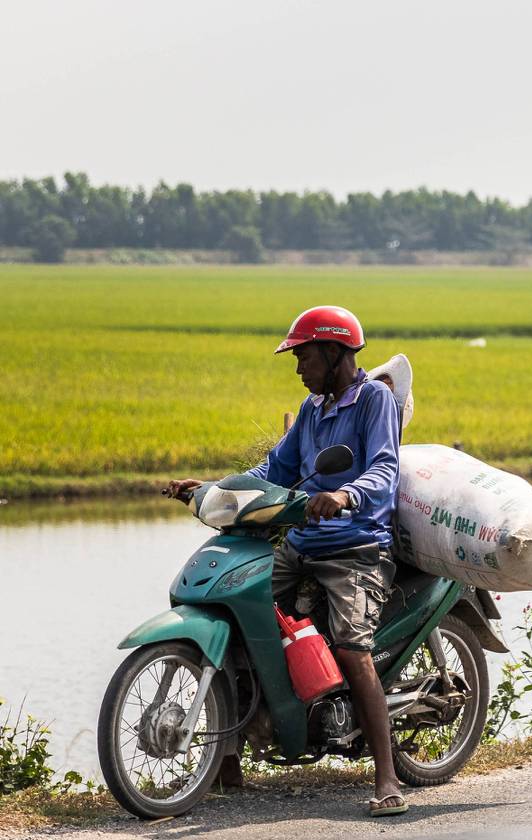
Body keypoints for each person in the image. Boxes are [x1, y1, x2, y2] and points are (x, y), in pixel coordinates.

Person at [166, 305, 407, 817]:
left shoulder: (374, 400)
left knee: (351, 647)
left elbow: (385, 468)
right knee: (234, 611)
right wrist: (213, 487)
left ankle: (387, 778)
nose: (299, 368)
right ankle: (225, 761)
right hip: (302, 544)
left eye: (303, 357)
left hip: (356, 546)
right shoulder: (312, 410)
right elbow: (273, 467)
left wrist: (345, 496)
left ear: (335, 352)